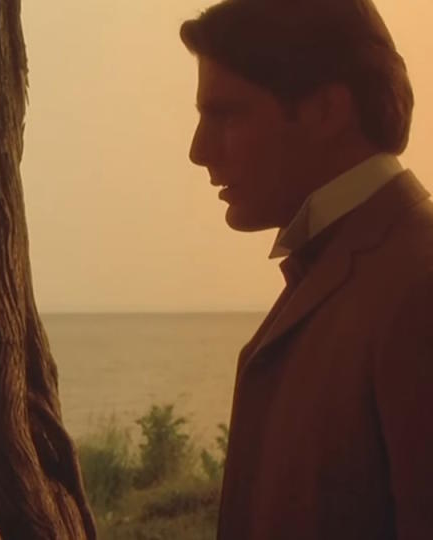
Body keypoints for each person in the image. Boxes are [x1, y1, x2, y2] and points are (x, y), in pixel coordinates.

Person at [180, 1, 433, 538]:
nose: (199, 151)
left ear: (326, 111)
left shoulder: (417, 284)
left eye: (226, 114)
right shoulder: (349, 265)